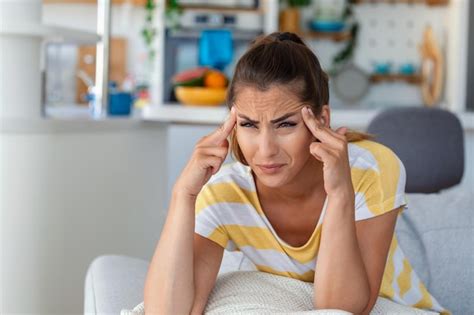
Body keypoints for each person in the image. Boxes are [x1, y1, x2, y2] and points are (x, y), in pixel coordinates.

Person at [143, 32, 451, 315]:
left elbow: (339, 309)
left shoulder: (371, 168)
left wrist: (341, 193)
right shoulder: (224, 194)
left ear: (321, 120)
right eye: (249, 124)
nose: (265, 150)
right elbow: (167, 311)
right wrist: (183, 195)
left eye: (286, 124)